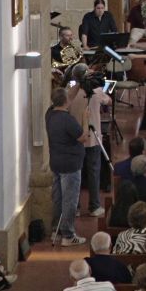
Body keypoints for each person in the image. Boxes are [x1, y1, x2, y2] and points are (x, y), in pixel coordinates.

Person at [67, 63, 111, 218]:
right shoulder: (95, 90)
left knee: (75, 174)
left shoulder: (70, 92)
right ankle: (94, 206)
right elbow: (108, 101)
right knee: (93, 172)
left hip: (75, 137)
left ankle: (76, 207)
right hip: (92, 138)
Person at [46, 86, 87, 246]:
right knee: (70, 200)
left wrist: (77, 84)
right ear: (66, 102)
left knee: (58, 198)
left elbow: (65, 97)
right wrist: (85, 118)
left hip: (56, 162)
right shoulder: (68, 120)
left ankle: (56, 230)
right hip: (70, 165)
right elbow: (82, 137)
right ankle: (68, 235)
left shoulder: (49, 114)